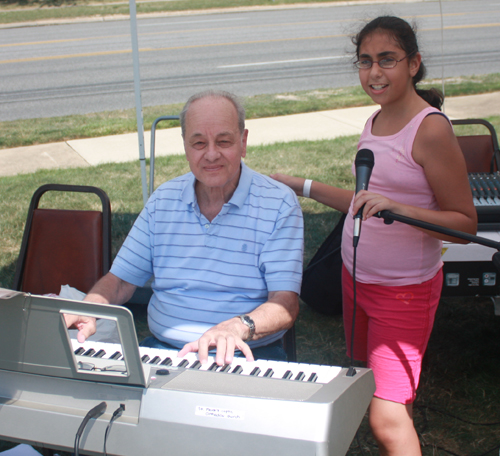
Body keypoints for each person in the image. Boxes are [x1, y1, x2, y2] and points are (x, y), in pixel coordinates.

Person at [271, 16, 477, 456]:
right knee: (367, 378)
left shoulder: (431, 129)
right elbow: (365, 200)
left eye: (387, 59)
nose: (374, 72)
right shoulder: (376, 119)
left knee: (387, 418)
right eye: (365, 61)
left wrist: (401, 209)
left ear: (414, 63)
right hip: (357, 278)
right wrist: (298, 184)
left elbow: (464, 225)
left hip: (404, 293)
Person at [66, 90, 304, 366]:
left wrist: (237, 327)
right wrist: (90, 306)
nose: (212, 154)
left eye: (223, 141)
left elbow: (285, 304)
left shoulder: (278, 204)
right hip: (164, 350)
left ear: (243, 141)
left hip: (247, 353)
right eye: (199, 143)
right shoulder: (163, 200)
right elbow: (120, 280)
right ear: (185, 146)